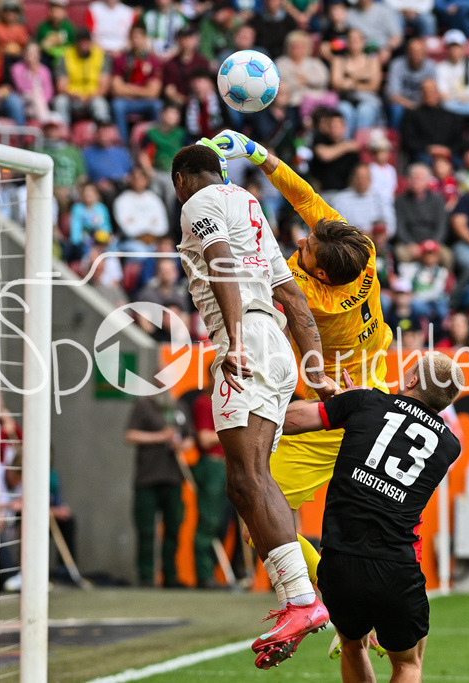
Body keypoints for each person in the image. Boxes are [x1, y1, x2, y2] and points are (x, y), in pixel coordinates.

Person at [170, 143, 339, 668]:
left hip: (247, 342)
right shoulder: (248, 204)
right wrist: (313, 370)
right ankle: (300, 598)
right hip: (279, 347)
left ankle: (301, 600)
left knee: (246, 478)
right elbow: (293, 298)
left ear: (182, 179)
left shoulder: (196, 204)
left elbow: (220, 264)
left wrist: (236, 340)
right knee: (250, 478)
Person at [281, 353, 465, 683]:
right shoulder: (450, 445)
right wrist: (361, 402)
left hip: (339, 560)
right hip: (396, 565)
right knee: (408, 664)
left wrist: (345, 403)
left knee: (352, 646)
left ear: (411, 381)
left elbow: (293, 421)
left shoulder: (365, 402)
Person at [125, 392, 191, 588]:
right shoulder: (144, 406)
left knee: (173, 528)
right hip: (147, 477)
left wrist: (181, 444)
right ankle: (146, 576)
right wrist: (161, 436)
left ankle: (170, 576)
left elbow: (190, 438)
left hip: (173, 477)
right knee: (146, 529)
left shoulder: (179, 408)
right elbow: (130, 435)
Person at [191, 378, 228, 589]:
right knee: (208, 521)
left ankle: (209, 573)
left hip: (226, 465)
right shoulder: (205, 402)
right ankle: (203, 575)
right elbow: (204, 439)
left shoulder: (225, 402)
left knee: (220, 523)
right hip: (212, 466)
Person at [110, 25, 164, 144]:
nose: (136, 41)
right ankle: (123, 145)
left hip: (145, 101)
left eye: (139, 37)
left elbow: (153, 92)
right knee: (117, 105)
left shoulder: (153, 61)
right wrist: (143, 90)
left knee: (157, 105)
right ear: (129, 39)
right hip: (126, 102)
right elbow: (116, 89)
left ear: (145, 39)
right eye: (133, 37)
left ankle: (154, 143)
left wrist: (128, 88)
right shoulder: (121, 60)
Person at [53, 28, 111, 127]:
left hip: (93, 96)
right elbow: (61, 86)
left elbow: (104, 86)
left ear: (91, 42)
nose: (84, 45)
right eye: (81, 42)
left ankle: (103, 132)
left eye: (86, 42)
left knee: (100, 103)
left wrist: (90, 96)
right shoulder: (66, 56)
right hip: (73, 96)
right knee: (60, 101)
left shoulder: (101, 55)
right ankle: (63, 133)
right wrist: (73, 94)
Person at [331, 29, 384, 135]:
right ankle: (345, 144)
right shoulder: (339, 60)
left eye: (357, 39)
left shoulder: (372, 60)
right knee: (344, 109)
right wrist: (363, 81)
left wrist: (351, 83)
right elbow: (335, 83)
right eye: (350, 39)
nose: (353, 41)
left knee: (365, 111)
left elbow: (374, 86)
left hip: (368, 100)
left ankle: (360, 145)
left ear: (363, 42)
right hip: (346, 99)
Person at [395, 163, 449, 265]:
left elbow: (441, 227)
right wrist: (410, 244)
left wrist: (431, 245)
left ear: (427, 181)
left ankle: (447, 281)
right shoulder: (400, 200)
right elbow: (400, 228)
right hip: (409, 243)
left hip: (433, 242)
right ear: (408, 180)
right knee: (401, 254)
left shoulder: (437, 200)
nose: (416, 182)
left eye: (420, 179)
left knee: (447, 256)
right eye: (413, 178)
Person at [399, 80, 464, 165]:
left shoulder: (451, 117)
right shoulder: (412, 115)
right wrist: (429, 148)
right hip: (424, 154)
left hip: (447, 154)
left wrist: (447, 150)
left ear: (438, 93)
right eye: (426, 92)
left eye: (432, 91)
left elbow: (459, 141)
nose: (429, 94)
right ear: (421, 94)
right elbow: (408, 141)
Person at [385, 38, 437, 130]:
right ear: (407, 52)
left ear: (424, 53)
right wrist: (412, 106)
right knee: (396, 109)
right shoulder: (397, 65)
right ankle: (395, 138)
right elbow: (393, 95)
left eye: (419, 52)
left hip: (424, 104)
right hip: (402, 104)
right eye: (413, 51)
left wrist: (421, 105)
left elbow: (433, 93)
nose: (416, 55)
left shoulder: (431, 67)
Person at [332, 164, 391, 238]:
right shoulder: (341, 199)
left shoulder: (379, 198)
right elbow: (337, 226)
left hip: (377, 240)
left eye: (364, 178)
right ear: (353, 178)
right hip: (351, 241)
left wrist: (378, 233)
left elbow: (391, 225)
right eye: (358, 178)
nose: (361, 181)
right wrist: (358, 234)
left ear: (370, 179)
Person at [162, 25, 210, 108]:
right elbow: (169, 91)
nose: (187, 41)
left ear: (196, 40)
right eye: (184, 38)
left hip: (202, 103)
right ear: (178, 40)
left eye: (190, 38)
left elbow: (209, 87)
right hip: (179, 106)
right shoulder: (170, 65)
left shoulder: (202, 62)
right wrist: (187, 102)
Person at [346, 0, 403, 65]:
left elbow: (397, 37)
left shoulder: (385, 11)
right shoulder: (350, 14)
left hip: (383, 50)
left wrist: (387, 50)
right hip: (358, 54)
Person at [11, 41, 54, 124]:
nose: (32, 56)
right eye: (29, 53)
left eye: (34, 53)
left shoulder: (44, 70)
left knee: (37, 97)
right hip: (23, 100)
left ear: (39, 55)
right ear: (24, 54)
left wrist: (41, 100)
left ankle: (43, 122)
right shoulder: (17, 68)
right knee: (35, 94)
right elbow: (21, 88)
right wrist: (31, 72)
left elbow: (49, 92)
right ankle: (46, 122)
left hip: (40, 104)